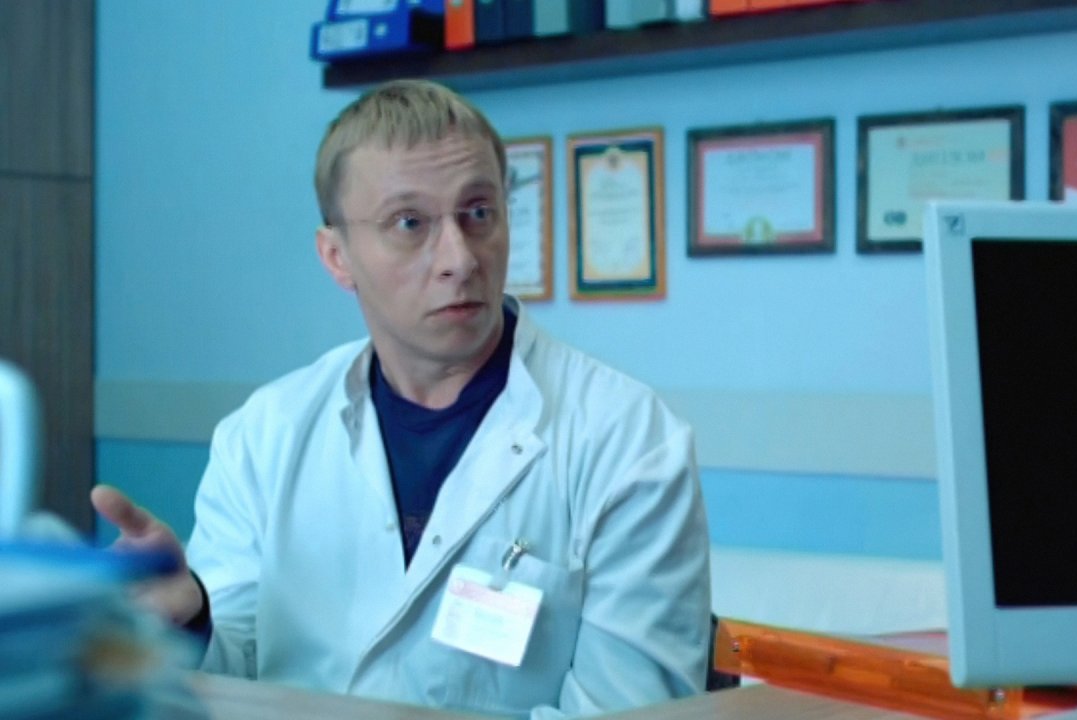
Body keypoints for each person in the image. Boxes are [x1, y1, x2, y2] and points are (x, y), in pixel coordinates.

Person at [92, 78, 711, 718]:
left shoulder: (628, 443)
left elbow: (630, 712)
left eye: (479, 213)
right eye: (409, 223)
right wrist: (191, 621)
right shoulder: (264, 436)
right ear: (338, 257)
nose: (459, 259)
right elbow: (232, 676)